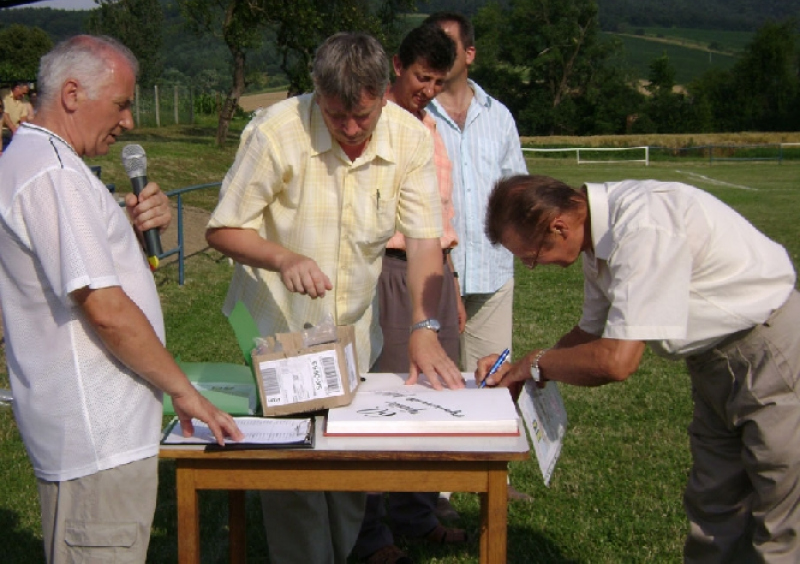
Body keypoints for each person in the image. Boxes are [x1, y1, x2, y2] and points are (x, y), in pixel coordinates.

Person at [206, 32, 465, 564]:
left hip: (351, 330)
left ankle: (340, 552)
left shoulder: (408, 139)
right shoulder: (275, 131)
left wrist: (422, 327)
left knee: (348, 462)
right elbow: (223, 228)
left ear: (381, 96)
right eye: (335, 115)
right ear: (316, 92)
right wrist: (283, 259)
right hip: (275, 327)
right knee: (295, 473)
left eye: (362, 118)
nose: (349, 129)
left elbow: (422, 242)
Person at [0, 35, 243, 564]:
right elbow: (105, 310)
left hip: (95, 441)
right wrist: (183, 390)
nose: (129, 121)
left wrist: (128, 234)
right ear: (71, 94)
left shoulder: (40, 161)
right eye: (121, 104)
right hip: (96, 444)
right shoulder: (55, 175)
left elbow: (68, 279)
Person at [478, 175, 800, 564]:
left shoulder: (644, 224)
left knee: (778, 506)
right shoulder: (599, 238)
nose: (532, 267)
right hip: (713, 364)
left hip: (770, 352)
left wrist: (537, 363)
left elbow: (617, 361)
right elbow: (589, 333)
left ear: (558, 226)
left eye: (530, 256)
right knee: (714, 502)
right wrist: (521, 370)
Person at [351, 24, 466, 564]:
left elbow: (441, 219)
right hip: (391, 272)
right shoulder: (372, 125)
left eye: (439, 82)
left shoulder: (432, 130)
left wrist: (453, 287)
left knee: (438, 394)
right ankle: (372, 533)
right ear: (397, 64)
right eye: (423, 77)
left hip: (436, 271)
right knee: (387, 397)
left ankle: (417, 512)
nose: (429, 90)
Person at [423, 11, 531, 506]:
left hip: (491, 269)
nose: (442, 58)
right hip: (432, 274)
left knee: (491, 379)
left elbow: (517, 191)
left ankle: (493, 480)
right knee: (436, 380)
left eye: (450, 47)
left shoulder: (499, 115)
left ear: (470, 54)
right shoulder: (415, 114)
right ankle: (435, 487)